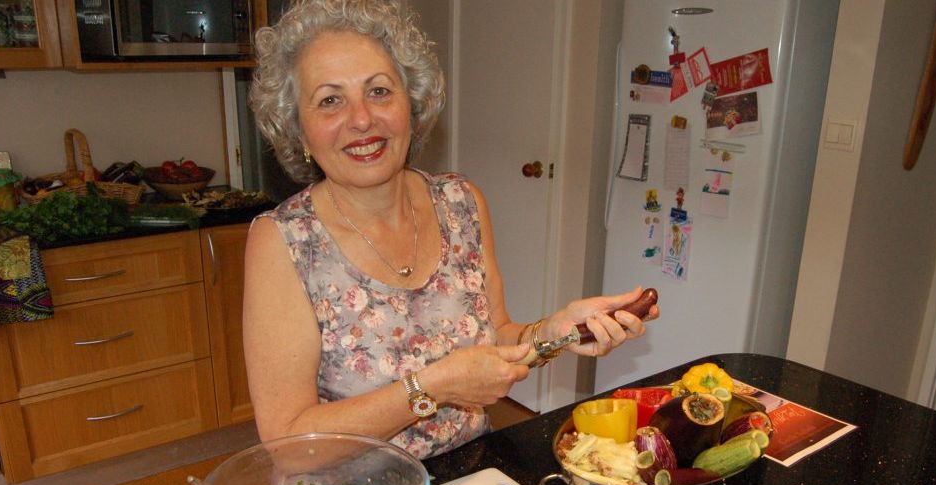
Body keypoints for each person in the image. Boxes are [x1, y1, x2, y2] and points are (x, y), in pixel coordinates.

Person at [243, 0, 658, 459]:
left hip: (469, 482)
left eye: (379, 91)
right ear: (299, 130)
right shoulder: (285, 241)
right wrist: (433, 387)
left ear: (412, 103)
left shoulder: (461, 204)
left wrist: (556, 330)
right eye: (330, 100)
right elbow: (287, 442)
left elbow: (496, 338)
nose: (361, 119)